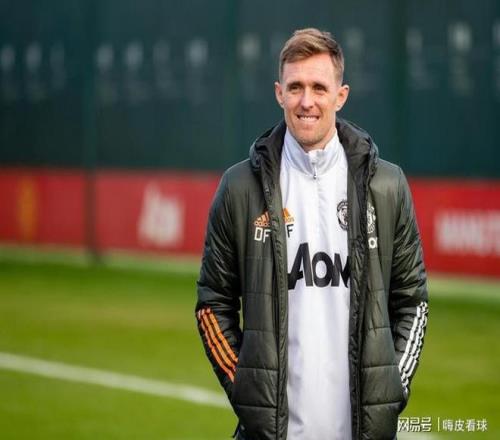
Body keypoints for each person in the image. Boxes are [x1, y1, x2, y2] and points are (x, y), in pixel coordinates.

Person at [196, 28, 428, 440]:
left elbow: (412, 301)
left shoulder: (387, 186)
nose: (307, 101)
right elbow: (212, 303)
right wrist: (248, 389)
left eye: (319, 87)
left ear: (340, 95)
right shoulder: (239, 188)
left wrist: (392, 388)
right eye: (295, 87)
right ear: (278, 93)